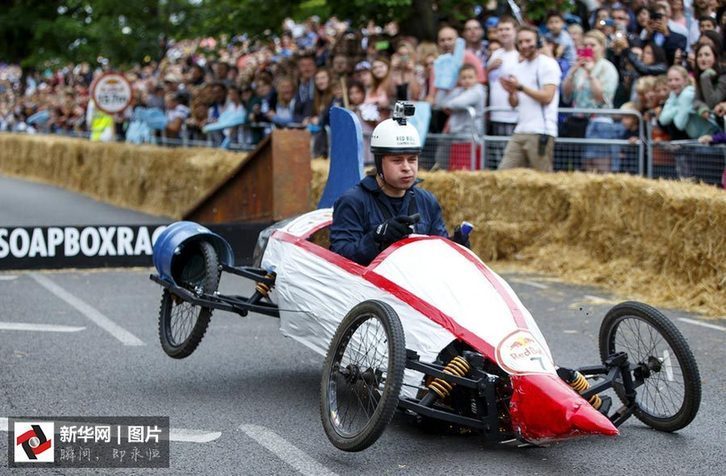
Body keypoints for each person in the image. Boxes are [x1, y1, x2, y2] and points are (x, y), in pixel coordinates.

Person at [330, 102, 469, 266]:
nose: (407, 168)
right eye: (397, 160)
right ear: (379, 162)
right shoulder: (353, 201)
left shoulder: (426, 200)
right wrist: (377, 237)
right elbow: (339, 260)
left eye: (412, 160)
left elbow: (437, 256)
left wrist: (456, 246)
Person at [498, 26, 561, 171]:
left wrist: (520, 87)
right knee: (503, 175)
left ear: (538, 42)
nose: (524, 45)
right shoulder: (518, 67)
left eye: (528, 41)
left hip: (541, 131)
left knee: (542, 179)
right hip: (520, 129)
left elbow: (547, 97)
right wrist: (511, 92)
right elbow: (514, 104)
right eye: (520, 42)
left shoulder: (548, 64)